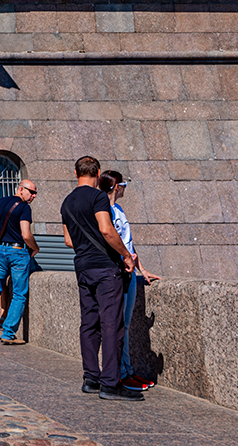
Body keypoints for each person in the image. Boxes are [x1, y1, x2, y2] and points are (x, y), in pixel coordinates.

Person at [61, 156, 140, 402]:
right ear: (96, 172)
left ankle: (91, 378)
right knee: (111, 324)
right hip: (105, 268)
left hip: (82, 267)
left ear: (76, 173)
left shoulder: (67, 202)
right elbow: (107, 229)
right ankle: (110, 383)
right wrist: (126, 255)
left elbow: (69, 241)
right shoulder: (98, 198)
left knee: (89, 323)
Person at [99, 169, 161, 392]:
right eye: (123, 184)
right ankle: (122, 373)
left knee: (124, 325)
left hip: (130, 271)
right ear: (116, 186)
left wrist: (142, 268)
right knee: (120, 326)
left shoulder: (119, 209)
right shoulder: (106, 211)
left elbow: (129, 244)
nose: (125, 188)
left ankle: (126, 370)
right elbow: (114, 242)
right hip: (119, 272)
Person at [0, 179, 39, 344]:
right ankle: (8, 333)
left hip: (1, 250)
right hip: (18, 252)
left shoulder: (1, 202)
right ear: (21, 189)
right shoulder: (24, 208)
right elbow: (26, 234)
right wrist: (35, 248)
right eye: (31, 192)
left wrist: (5, 235)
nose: (33, 196)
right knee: (19, 293)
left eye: (35, 194)